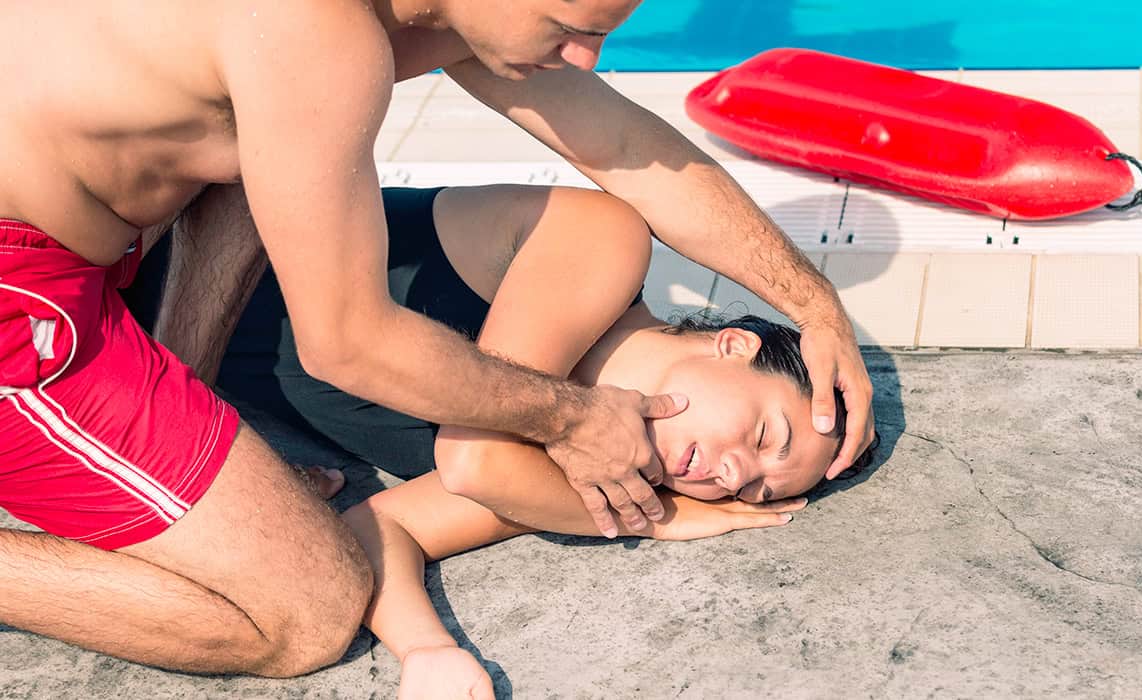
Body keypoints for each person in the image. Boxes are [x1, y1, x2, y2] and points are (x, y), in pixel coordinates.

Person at [0, 0, 871, 676]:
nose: (585, 58)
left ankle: (182, 398)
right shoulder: (322, 41)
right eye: (571, 28)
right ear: (731, 346)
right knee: (307, 609)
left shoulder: (426, 22)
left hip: (95, 259)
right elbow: (346, 345)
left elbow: (630, 148)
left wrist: (815, 302)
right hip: (21, 290)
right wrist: (579, 431)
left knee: (262, 155)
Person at [231, 183, 866, 698]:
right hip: (168, 255)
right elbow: (472, 461)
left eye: (754, 490)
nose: (731, 476)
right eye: (763, 436)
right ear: (734, 345)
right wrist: (655, 520)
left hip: (158, 382)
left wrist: (427, 652)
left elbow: (381, 528)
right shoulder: (602, 238)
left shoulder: (580, 477)